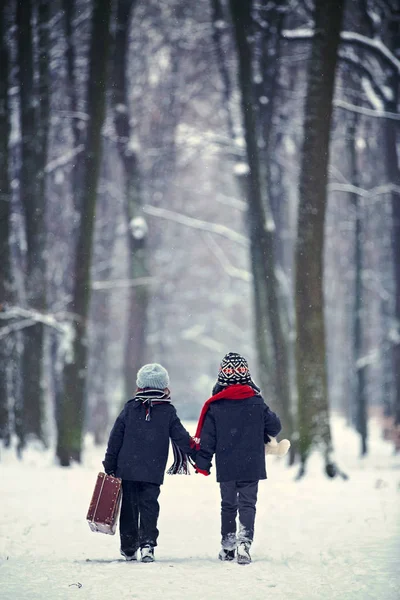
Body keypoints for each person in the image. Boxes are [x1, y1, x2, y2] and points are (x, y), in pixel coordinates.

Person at [194, 352, 281, 565]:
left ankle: (228, 545)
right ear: (246, 375)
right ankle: (245, 542)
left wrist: (203, 463)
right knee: (248, 504)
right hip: (252, 463)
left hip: (227, 465)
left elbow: (207, 440)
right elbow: (275, 426)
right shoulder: (256, 402)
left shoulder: (216, 406)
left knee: (228, 505)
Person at [103, 363, 194, 563]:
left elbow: (115, 437)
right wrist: (198, 453)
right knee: (149, 506)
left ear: (140, 385)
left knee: (128, 507)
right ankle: (147, 545)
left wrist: (109, 463)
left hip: (127, 468)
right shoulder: (167, 411)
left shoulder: (130, 407)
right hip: (153, 470)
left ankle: (128, 548)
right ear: (164, 386)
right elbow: (180, 437)